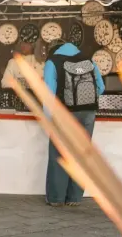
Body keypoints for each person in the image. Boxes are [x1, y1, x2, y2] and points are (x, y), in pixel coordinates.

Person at [43, 39, 104, 206]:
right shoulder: (88, 60)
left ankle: (56, 198)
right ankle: (74, 198)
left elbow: (48, 93)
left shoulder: (53, 62)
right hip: (88, 113)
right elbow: (101, 87)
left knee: (59, 155)